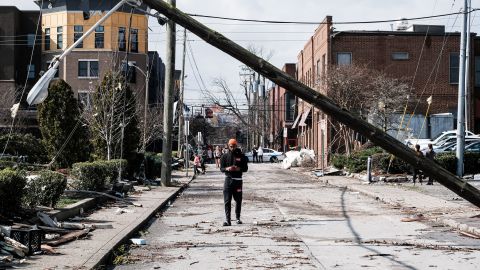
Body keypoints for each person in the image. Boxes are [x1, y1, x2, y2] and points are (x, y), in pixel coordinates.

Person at [220, 138, 248, 226]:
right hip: (228, 180)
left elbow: (246, 168)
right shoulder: (224, 156)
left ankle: (238, 218)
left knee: (238, 200)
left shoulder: (241, 156)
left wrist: (239, 169)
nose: (232, 147)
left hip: (238, 181)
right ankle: (228, 220)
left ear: (236, 145)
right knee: (227, 201)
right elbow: (221, 168)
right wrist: (227, 168)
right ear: (228, 146)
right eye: (231, 146)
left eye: (234, 146)